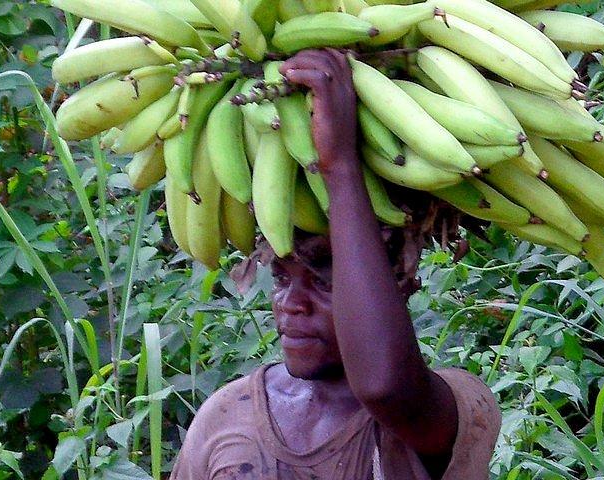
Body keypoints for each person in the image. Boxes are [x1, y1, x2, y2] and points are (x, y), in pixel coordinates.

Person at [167, 49, 501, 480]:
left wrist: (340, 164)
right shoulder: (228, 416)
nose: (291, 305)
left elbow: (385, 388)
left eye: (324, 282)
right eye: (282, 278)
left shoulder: (448, 408)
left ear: (394, 281)